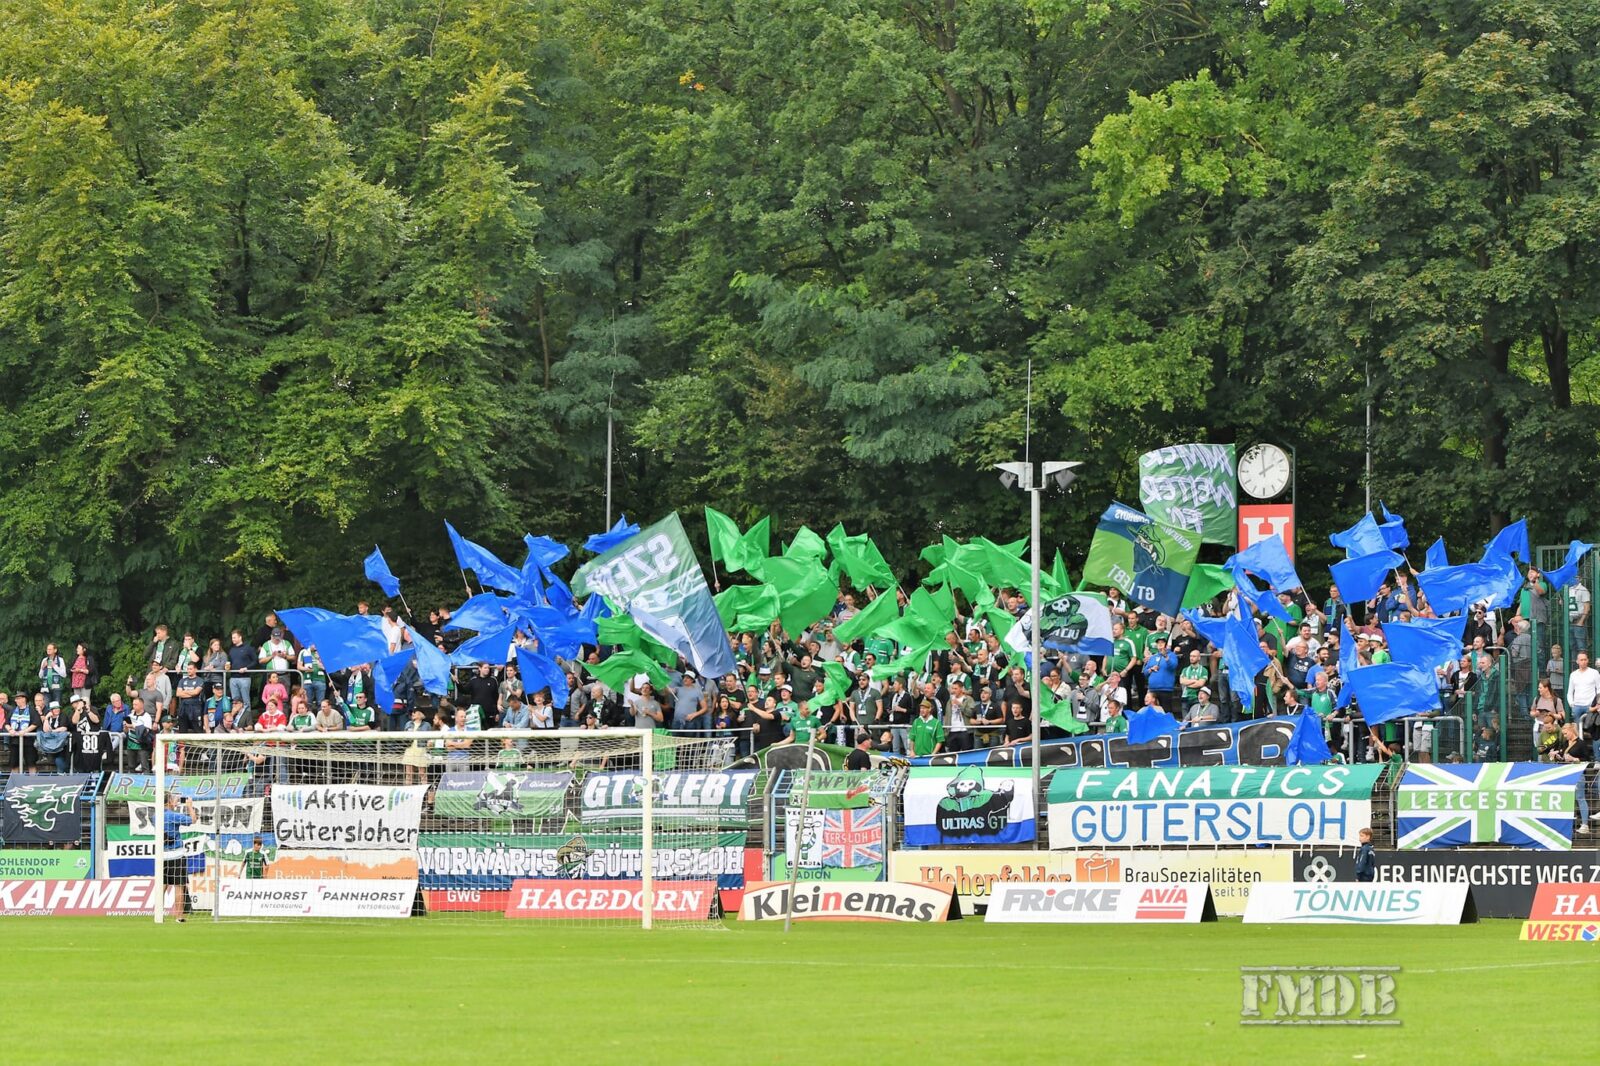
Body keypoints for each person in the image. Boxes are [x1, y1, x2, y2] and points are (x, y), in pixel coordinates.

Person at [163, 792, 195, 921]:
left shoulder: (156, 816)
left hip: (163, 855)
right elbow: (193, 820)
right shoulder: (173, 816)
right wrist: (189, 806)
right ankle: (179, 917)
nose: (176, 801)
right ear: (169, 801)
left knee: (162, 886)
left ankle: (159, 916)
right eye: (174, 799)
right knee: (179, 886)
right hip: (176, 855)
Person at [401, 707, 432, 784]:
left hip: (421, 750)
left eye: (415, 712)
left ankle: (424, 793)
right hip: (410, 749)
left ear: (420, 714)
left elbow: (430, 738)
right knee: (408, 774)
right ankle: (408, 793)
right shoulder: (408, 724)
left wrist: (430, 743)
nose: (413, 714)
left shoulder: (427, 725)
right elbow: (404, 737)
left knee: (422, 773)